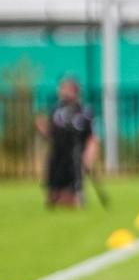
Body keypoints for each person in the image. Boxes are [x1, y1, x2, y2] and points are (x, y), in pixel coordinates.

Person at [36, 77, 99, 207]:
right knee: (52, 198)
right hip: (57, 155)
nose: (61, 92)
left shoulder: (84, 111)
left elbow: (92, 137)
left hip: (74, 156)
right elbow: (51, 134)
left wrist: (89, 155)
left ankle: (73, 197)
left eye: (65, 88)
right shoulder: (57, 110)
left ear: (74, 90)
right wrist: (43, 129)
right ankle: (60, 197)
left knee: (73, 199)